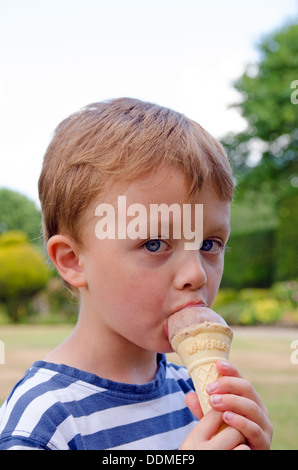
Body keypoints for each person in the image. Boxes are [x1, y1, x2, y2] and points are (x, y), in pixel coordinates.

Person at [0, 98, 272, 450]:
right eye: (155, 244)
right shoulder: (44, 421)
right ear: (73, 260)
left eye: (209, 244)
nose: (196, 274)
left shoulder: (193, 392)